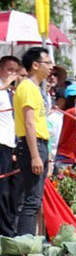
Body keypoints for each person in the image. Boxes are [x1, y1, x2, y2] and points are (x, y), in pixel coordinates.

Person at [13, 47, 53, 235]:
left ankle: (28, 240)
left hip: (40, 144)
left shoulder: (36, 88)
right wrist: (35, 156)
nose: (51, 67)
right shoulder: (28, 87)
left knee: (35, 199)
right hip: (32, 146)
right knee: (31, 200)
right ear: (35, 65)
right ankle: (24, 244)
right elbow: (29, 123)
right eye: (48, 62)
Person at [0, 56, 20, 236]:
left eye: (16, 70)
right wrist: (4, 85)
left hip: (12, 145)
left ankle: (11, 228)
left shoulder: (12, 93)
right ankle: (5, 232)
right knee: (2, 190)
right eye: (9, 69)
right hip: (1, 144)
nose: (13, 74)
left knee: (13, 191)